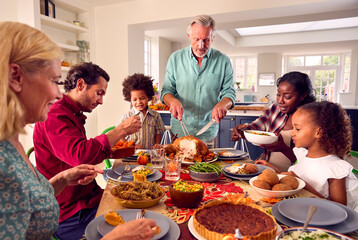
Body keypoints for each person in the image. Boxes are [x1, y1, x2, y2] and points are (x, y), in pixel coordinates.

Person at [0, 21, 156, 240]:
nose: (58, 94)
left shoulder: (11, 142)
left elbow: (33, 201)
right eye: (54, 81)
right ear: (16, 77)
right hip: (73, 214)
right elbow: (80, 154)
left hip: (85, 199)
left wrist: (64, 178)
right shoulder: (5, 163)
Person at [32, 62, 144, 239]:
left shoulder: (71, 112)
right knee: (138, 226)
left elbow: (79, 156)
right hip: (71, 211)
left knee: (140, 206)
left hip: (87, 197)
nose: (100, 101)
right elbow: (80, 154)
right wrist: (120, 130)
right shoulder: (55, 113)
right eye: (99, 93)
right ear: (81, 85)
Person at [256, 101, 358, 207]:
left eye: (298, 129)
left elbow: (340, 209)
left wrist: (302, 183)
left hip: (314, 220)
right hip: (295, 208)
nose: (292, 133)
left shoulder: (335, 168)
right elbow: (294, 181)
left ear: (318, 132)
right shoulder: (303, 156)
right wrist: (273, 170)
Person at [161, 14, 235, 144]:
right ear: (189, 36)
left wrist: (223, 104)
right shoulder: (175, 59)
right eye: (196, 39)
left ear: (213, 37)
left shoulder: (223, 61)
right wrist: (172, 101)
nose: (201, 45)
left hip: (208, 132)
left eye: (206, 40)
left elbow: (229, 93)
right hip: (180, 131)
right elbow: (166, 91)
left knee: (207, 164)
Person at [232, 71, 316, 172]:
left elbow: (309, 164)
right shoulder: (276, 108)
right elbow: (256, 127)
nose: (280, 101)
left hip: (289, 175)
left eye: (287, 97)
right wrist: (242, 131)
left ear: (303, 96)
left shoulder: (311, 118)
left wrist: (283, 148)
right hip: (263, 167)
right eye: (278, 94)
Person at [117, 73, 165, 149]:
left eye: (142, 98)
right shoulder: (127, 116)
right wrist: (130, 145)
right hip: (132, 155)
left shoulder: (156, 116)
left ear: (148, 97)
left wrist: (157, 144)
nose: (139, 102)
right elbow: (118, 135)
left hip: (150, 154)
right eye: (135, 99)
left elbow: (158, 133)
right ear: (130, 99)